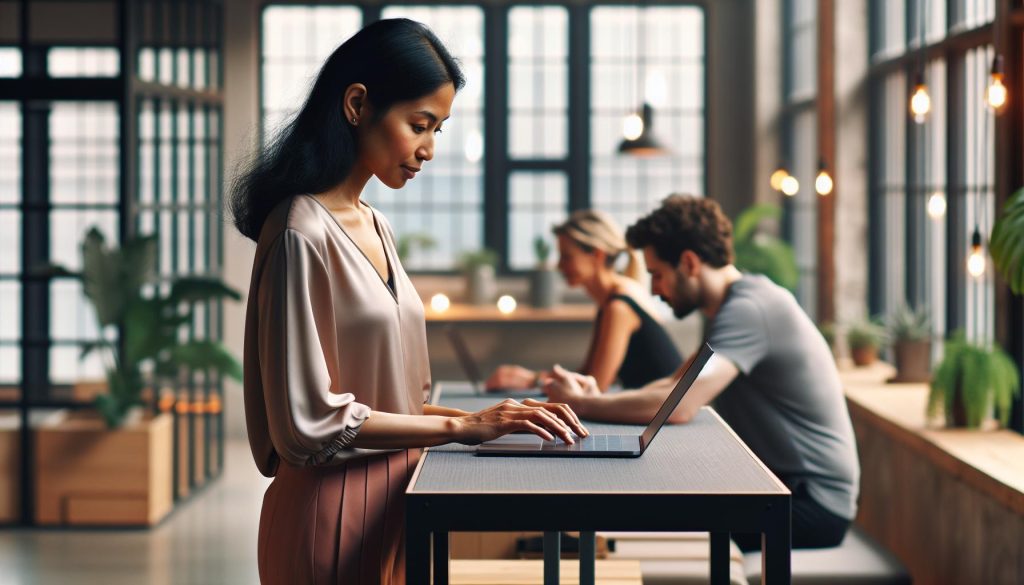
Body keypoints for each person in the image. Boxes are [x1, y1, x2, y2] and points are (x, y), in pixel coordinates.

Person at [231, 19, 587, 585]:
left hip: (401, 504)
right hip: (331, 516)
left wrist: (500, 419)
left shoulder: (377, 225)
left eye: (439, 129)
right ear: (356, 105)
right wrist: (465, 426)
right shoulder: (300, 232)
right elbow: (306, 426)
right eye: (419, 125)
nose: (428, 149)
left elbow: (393, 401)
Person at [542, 194, 859, 551]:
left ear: (689, 263)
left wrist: (581, 406)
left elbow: (679, 404)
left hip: (809, 504)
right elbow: (676, 382)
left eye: (657, 275)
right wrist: (592, 399)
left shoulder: (750, 309)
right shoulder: (733, 306)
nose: (655, 290)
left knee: (653, 530)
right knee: (646, 515)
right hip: (782, 489)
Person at [486, 209, 682, 392]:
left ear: (597, 254)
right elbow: (587, 373)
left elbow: (594, 387)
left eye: (567, 257)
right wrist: (531, 378)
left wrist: (532, 380)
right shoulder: (614, 299)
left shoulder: (619, 307)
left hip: (665, 422)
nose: (559, 265)